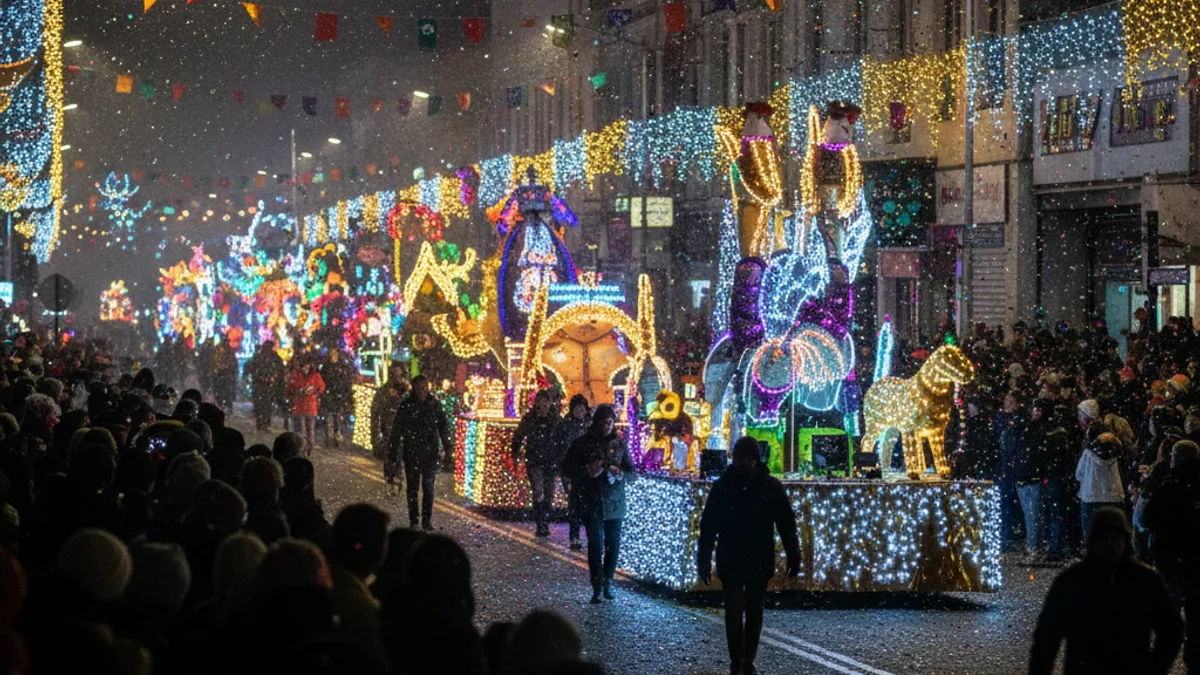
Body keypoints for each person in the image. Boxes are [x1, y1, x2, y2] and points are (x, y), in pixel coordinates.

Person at [1029, 507, 1182, 675]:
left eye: (1115, 538)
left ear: (1125, 540)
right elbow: (1046, 640)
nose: (1109, 544)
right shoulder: (1072, 581)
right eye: (1103, 538)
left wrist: (1154, 667)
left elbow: (1171, 629)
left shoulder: (1145, 580)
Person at [697, 436, 801, 675]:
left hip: (756, 557)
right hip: (735, 557)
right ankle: (738, 660)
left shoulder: (768, 487)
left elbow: (786, 524)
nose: (744, 463)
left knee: (753, 610)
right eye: (740, 458)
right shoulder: (725, 487)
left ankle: (746, 660)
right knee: (736, 609)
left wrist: (793, 553)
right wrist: (703, 559)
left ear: (756, 459)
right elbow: (709, 526)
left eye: (749, 458)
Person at [563, 404, 635, 603]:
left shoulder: (619, 444)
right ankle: (596, 583)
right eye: (603, 423)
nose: (606, 427)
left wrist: (619, 473)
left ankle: (608, 581)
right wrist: (588, 471)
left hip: (614, 502)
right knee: (595, 544)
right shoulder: (582, 443)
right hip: (591, 500)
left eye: (610, 423)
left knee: (613, 543)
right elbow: (567, 468)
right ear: (596, 423)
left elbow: (632, 473)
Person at [1143, 440, 1200, 673]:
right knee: (1197, 616)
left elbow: (1147, 519)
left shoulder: (1169, 486)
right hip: (1196, 561)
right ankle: (1194, 660)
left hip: (1171, 559)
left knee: (1167, 617)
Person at [388, 375, 452, 530]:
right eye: (419, 388)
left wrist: (448, 449)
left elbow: (443, 428)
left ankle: (426, 520)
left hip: (429, 452)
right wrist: (393, 450)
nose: (422, 391)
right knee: (413, 488)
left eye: (424, 388)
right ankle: (414, 520)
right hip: (412, 452)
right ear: (414, 389)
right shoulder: (407, 406)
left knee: (428, 487)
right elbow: (397, 429)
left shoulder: (434, 405)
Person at [511, 389, 562, 537]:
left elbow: (562, 438)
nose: (544, 405)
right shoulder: (530, 418)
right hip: (534, 460)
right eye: (541, 401)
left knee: (549, 493)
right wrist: (515, 454)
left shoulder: (555, 419)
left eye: (546, 401)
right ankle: (540, 524)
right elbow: (518, 436)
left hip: (550, 461)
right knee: (538, 491)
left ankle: (544, 520)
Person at [556, 394, 591, 550]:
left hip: (588, 469)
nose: (580, 412)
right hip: (570, 469)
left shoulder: (590, 426)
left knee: (588, 502)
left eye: (583, 409)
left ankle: (590, 535)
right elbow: (558, 448)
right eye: (578, 409)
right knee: (575, 502)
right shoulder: (564, 426)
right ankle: (575, 536)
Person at [1076, 431, 1125, 541]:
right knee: (1112, 534)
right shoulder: (1118, 455)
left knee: (1091, 535)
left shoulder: (1088, 454)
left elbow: (1078, 474)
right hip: (1114, 497)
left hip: (1090, 497)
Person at [285, 356, 325, 452]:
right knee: (300, 429)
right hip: (299, 406)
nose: (305, 369)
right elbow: (289, 390)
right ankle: (299, 447)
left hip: (309, 406)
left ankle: (308, 447)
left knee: (309, 429)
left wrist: (314, 391)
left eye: (306, 366)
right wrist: (298, 392)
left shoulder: (314, 375)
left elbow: (321, 387)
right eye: (303, 366)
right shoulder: (296, 376)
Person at [244, 341, 284, 432]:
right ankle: (261, 423)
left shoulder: (274, 358)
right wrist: (259, 376)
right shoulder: (259, 357)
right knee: (261, 405)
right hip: (260, 385)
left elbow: (280, 370)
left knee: (266, 405)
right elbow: (250, 367)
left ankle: (264, 423)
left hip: (268, 386)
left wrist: (273, 378)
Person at [320, 349, 356, 447]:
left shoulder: (341, 367)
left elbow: (345, 380)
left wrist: (344, 392)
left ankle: (337, 437)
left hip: (338, 396)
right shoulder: (326, 367)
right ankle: (329, 437)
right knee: (329, 418)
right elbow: (323, 380)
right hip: (329, 395)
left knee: (337, 418)